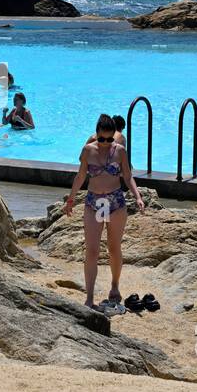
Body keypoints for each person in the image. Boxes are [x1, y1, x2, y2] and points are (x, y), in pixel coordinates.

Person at [63, 114, 146, 313]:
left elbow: (128, 176)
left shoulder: (120, 151)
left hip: (115, 202)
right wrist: (71, 199)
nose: (106, 143)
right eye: (102, 139)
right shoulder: (88, 151)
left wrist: (138, 197)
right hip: (94, 202)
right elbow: (81, 175)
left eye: (110, 139)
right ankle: (89, 297)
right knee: (91, 251)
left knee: (113, 247)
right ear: (96, 135)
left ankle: (115, 286)